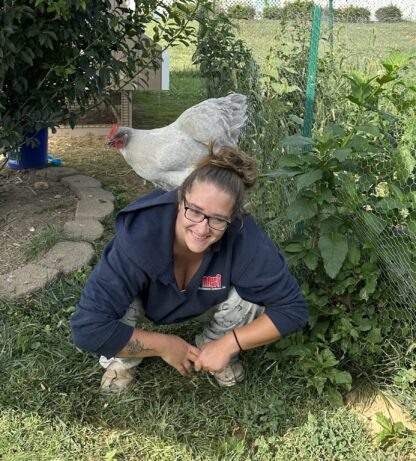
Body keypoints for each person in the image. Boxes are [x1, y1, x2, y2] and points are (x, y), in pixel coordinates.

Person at [70, 144, 308, 394]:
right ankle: (122, 362)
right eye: (194, 211)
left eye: (218, 219)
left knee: (251, 300)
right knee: (112, 308)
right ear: (180, 199)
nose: (202, 228)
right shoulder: (139, 235)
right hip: (142, 301)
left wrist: (230, 343)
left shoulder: (245, 237)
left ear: (233, 218)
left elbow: (293, 309)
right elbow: (87, 329)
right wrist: (163, 345)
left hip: (208, 299)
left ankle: (213, 350)